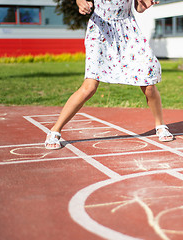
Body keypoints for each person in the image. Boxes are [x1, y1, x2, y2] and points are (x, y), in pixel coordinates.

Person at [45, 0, 174, 150]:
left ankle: (160, 125)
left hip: (128, 30)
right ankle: (55, 130)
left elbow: (139, 8)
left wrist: (146, 3)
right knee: (89, 87)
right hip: (101, 30)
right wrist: (80, 3)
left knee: (149, 84)